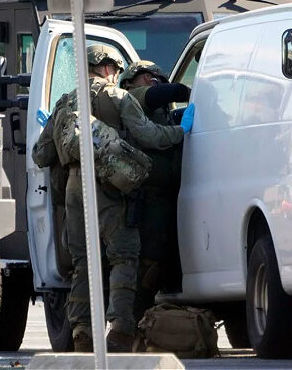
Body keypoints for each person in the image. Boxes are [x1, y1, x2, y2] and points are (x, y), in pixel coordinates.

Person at [54, 44, 195, 353]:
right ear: (107, 68)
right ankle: (120, 330)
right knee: (124, 257)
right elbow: (149, 136)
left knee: (82, 263)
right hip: (109, 184)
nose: (116, 75)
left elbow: (42, 153)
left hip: (75, 187)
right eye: (116, 71)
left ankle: (81, 332)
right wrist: (179, 132)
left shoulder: (65, 102)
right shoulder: (119, 97)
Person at [118, 61, 191, 321]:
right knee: (148, 266)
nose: (152, 81)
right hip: (148, 198)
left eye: (156, 77)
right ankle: (135, 324)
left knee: (167, 261)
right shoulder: (131, 98)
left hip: (170, 196)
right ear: (129, 81)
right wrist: (192, 90)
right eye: (146, 76)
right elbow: (163, 93)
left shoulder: (162, 113)